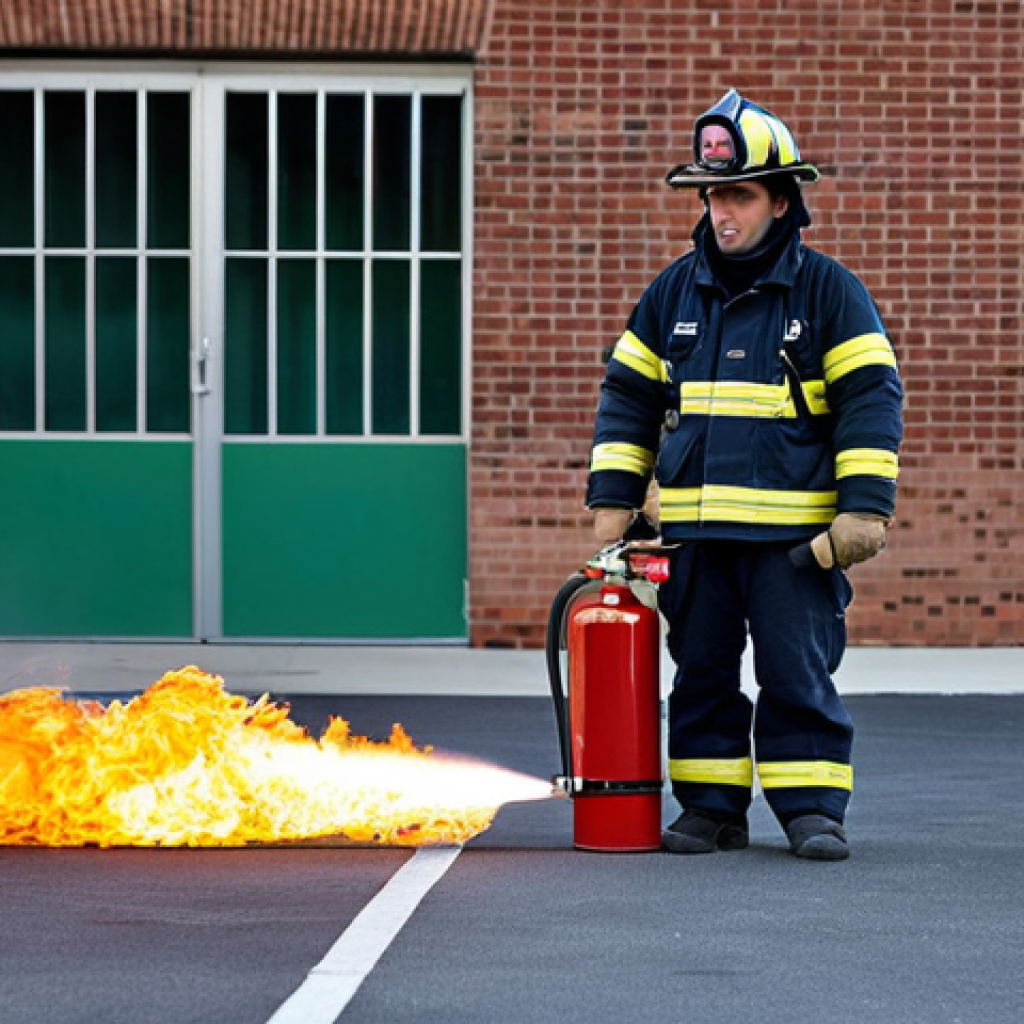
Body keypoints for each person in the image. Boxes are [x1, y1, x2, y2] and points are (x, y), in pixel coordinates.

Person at [585, 90, 904, 860]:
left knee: (796, 674)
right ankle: (711, 809)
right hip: (696, 540)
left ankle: (812, 811)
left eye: (740, 195)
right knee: (700, 675)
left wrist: (863, 507)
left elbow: (870, 396)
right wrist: (614, 501)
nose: (723, 213)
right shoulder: (673, 294)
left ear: (781, 199)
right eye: (714, 196)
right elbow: (628, 396)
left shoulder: (829, 293)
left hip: (794, 544)